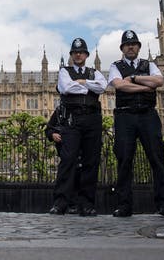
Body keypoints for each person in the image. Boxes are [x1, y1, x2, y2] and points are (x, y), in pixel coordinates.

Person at [108, 30, 164, 218]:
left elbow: (159, 80)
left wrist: (135, 79)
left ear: (138, 47)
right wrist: (146, 86)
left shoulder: (150, 64)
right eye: (127, 44)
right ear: (122, 48)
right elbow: (120, 85)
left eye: (134, 44)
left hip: (147, 115)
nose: (131, 46)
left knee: (157, 158)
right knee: (124, 160)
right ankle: (124, 205)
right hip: (124, 116)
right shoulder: (115, 66)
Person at [49, 38, 107, 216]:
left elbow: (102, 87)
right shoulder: (64, 72)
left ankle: (87, 205)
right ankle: (60, 203)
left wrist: (81, 83)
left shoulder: (95, 72)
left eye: (81, 52)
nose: (78, 54)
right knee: (67, 161)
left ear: (87, 55)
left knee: (91, 162)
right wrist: (88, 86)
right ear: (71, 55)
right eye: (75, 52)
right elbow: (66, 88)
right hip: (72, 121)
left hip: (92, 120)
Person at [45, 106, 81, 214]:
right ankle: (61, 204)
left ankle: (76, 204)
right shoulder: (60, 111)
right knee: (66, 175)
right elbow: (48, 129)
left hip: (80, 151)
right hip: (66, 151)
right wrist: (52, 134)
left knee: (79, 175)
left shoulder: (85, 111)